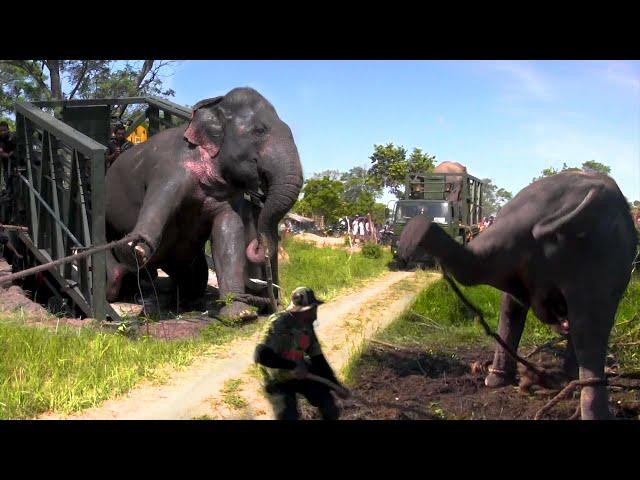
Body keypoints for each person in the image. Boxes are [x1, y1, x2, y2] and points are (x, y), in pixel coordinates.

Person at [254, 286, 350, 420]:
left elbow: (319, 360)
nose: (315, 312)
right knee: (288, 416)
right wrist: (292, 366)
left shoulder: (307, 327)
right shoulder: (278, 324)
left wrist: (336, 386)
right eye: (313, 309)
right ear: (303, 311)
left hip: (298, 374)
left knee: (329, 406)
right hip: (276, 379)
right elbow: (261, 355)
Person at [0, 121, 17, 195]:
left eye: (4, 130)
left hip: (14, 162)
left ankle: (11, 193)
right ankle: (8, 192)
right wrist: (6, 154)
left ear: (8, 129)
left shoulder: (12, 136)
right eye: (1, 130)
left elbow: (16, 147)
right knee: (7, 176)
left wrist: (12, 153)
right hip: (5, 163)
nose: (3, 132)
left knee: (13, 178)